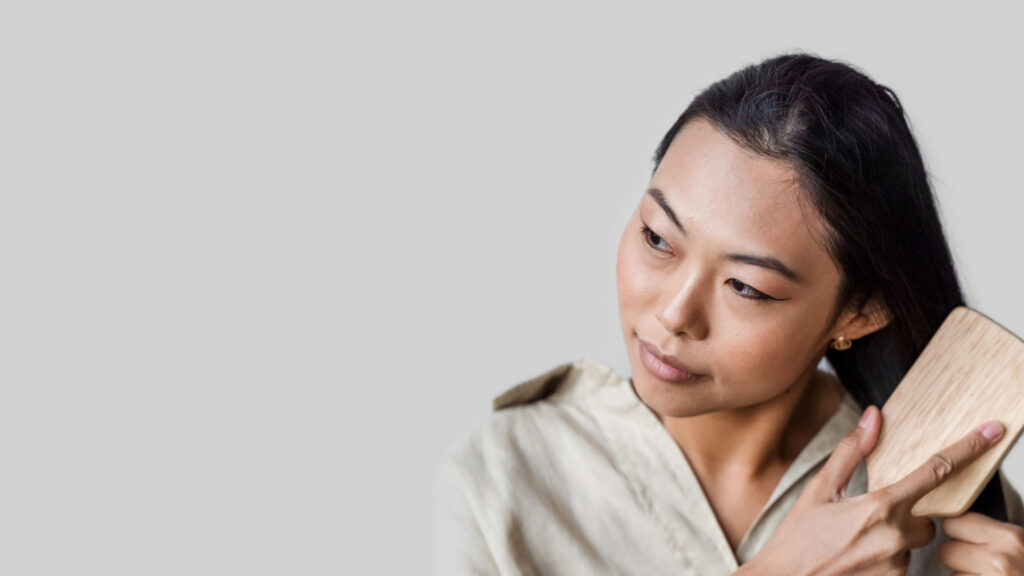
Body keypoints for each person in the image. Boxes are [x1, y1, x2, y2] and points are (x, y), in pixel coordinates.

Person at [433, 52, 1024, 575]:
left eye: (746, 286)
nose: (673, 314)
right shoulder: (501, 476)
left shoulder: (943, 498)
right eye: (657, 238)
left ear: (861, 313)